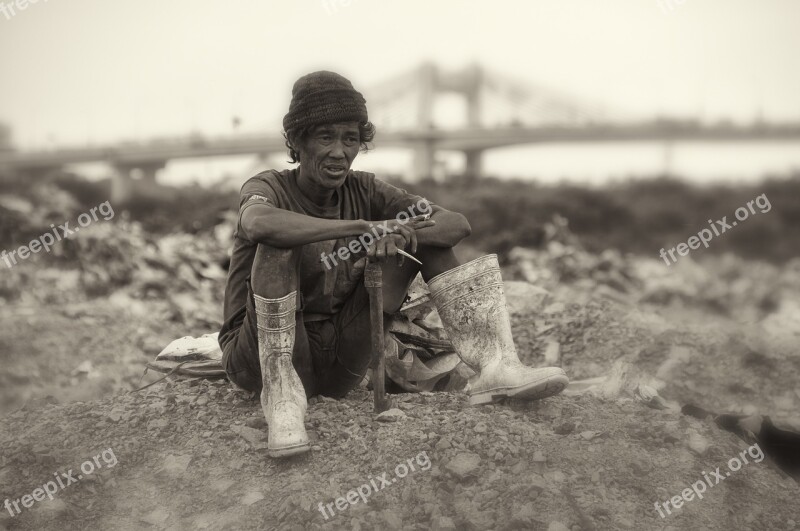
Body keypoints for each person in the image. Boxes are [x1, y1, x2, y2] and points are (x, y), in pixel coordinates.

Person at [218, 71, 569, 458]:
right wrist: (365, 229)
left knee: (425, 236)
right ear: (297, 141)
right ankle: (283, 401)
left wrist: (399, 230)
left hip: (337, 364)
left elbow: (456, 223)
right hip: (260, 360)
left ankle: (496, 365)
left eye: (350, 138)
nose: (339, 151)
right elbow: (258, 223)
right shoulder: (267, 187)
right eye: (325, 137)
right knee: (276, 245)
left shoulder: (367, 189)